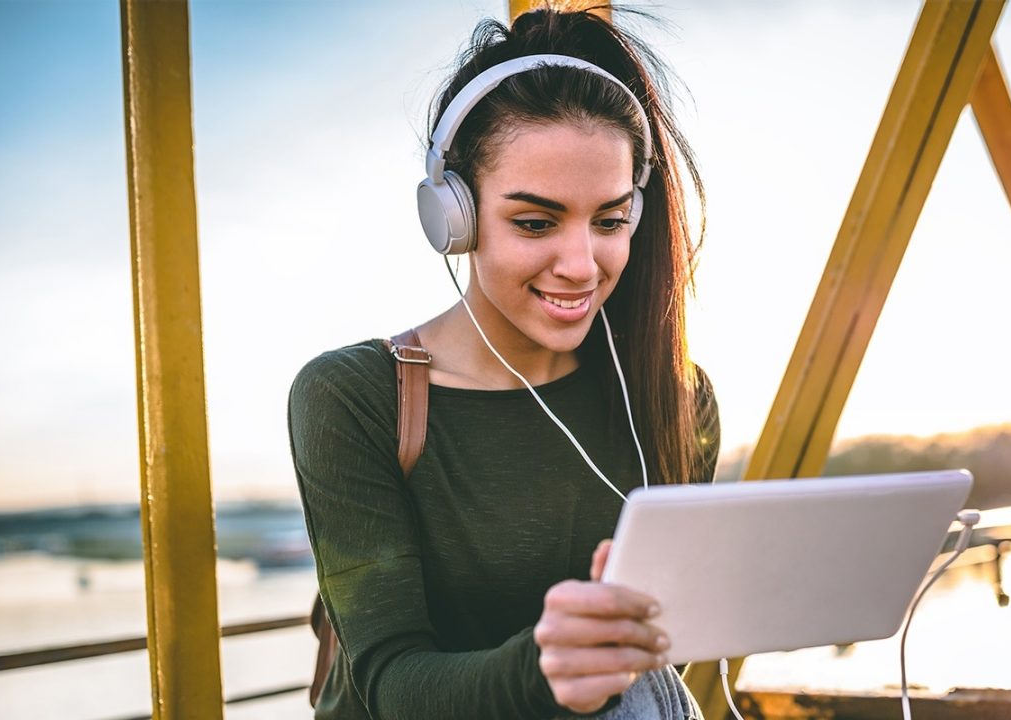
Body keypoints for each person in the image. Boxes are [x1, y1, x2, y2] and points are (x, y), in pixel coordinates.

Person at [287, 5, 719, 719]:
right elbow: (391, 683)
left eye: (610, 220)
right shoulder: (354, 397)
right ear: (453, 216)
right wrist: (545, 668)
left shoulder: (677, 399)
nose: (582, 266)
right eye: (535, 222)